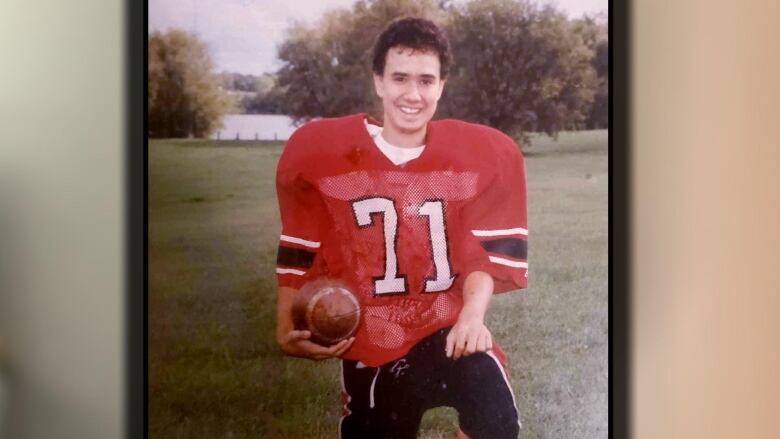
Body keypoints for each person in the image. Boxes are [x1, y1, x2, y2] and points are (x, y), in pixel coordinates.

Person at [275, 17, 527, 439]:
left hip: (445, 330)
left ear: (442, 85)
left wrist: (472, 316)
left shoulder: (473, 156)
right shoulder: (325, 154)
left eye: (426, 81)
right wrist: (285, 325)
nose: (413, 94)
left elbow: (478, 255)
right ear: (378, 82)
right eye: (400, 78)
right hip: (372, 341)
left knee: (496, 417)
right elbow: (300, 245)